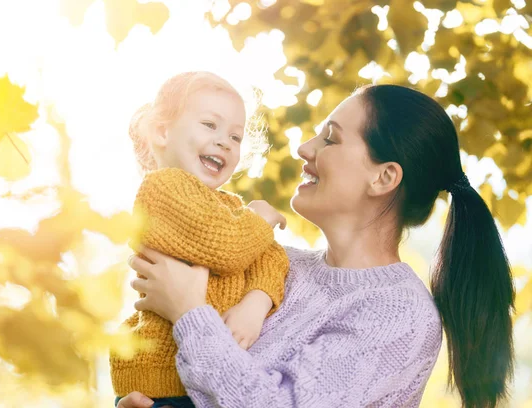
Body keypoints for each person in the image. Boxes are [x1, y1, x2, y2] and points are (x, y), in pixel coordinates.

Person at [118, 84, 515, 408]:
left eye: (330, 139)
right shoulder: (277, 265)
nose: (305, 148)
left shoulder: (400, 314)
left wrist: (189, 311)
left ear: (383, 178)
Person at [109, 72, 290, 408]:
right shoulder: (162, 189)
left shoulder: (231, 207)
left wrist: (256, 303)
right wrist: (260, 218)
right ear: (162, 132)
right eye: (210, 125)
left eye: (235, 137)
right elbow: (228, 247)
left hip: (209, 371)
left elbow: (272, 257)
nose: (224, 141)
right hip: (164, 381)